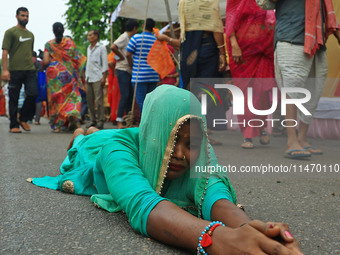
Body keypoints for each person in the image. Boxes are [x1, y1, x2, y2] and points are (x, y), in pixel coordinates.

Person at [28, 85, 303, 255]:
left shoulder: (201, 149)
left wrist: (252, 231)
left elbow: (214, 190)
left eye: (190, 143)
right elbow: (142, 202)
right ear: (155, 132)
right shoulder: (117, 150)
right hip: (98, 152)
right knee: (83, 143)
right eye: (170, 140)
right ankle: (83, 133)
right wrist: (217, 238)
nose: (181, 154)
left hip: (132, 138)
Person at [265, 0, 340, 158]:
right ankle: (291, 141)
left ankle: (302, 139)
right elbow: (265, 3)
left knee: (314, 90)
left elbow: (323, 10)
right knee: (292, 90)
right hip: (291, 37)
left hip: (317, 41)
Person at [225, 0, 277, 149]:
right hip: (242, 54)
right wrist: (234, 45)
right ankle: (247, 134)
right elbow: (230, 20)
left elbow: (271, 20)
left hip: (263, 52)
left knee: (262, 94)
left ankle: (260, 128)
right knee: (245, 94)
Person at [43, 22, 86, 133]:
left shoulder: (49, 45)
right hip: (69, 74)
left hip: (55, 76)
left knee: (57, 100)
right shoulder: (70, 42)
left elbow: (46, 61)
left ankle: (57, 125)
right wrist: (81, 77)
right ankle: (72, 117)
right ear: (63, 30)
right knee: (72, 97)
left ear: (53, 31)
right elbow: (77, 59)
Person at [2, 7, 38, 133]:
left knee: (34, 93)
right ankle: (14, 125)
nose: (25, 18)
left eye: (27, 16)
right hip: (15, 70)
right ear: (17, 16)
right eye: (22, 15)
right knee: (14, 98)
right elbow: (5, 52)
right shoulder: (10, 32)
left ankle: (23, 118)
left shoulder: (30, 34)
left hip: (29, 69)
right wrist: (5, 70)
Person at [126, 18, 159, 112]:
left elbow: (128, 54)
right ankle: (151, 123)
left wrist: (131, 65)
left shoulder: (136, 38)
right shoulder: (156, 40)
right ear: (153, 28)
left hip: (139, 76)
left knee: (142, 102)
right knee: (151, 102)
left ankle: (145, 124)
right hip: (153, 75)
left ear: (142, 26)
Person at [111, 19, 139, 129]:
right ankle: (119, 121)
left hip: (127, 69)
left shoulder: (130, 38)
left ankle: (128, 120)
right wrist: (121, 57)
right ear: (134, 28)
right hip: (122, 69)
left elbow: (114, 56)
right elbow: (113, 47)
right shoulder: (124, 37)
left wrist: (119, 57)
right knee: (125, 94)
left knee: (130, 96)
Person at [85, 30, 109, 130]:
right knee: (89, 100)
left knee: (99, 100)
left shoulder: (101, 48)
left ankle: (100, 120)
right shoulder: (88, 48)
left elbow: (104, 63)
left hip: (98, 76)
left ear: (96, 36)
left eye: (90, 35)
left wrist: (104, 77)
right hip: (88, 77)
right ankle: (92, 120)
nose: (88, 37)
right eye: (88, 35)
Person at [107, 51, 120, 123]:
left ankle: (113, 115)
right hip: (115, 77)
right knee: (117, 97)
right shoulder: (116, 54)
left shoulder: (110, 54)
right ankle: (115, 116)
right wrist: (115, 71)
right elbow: (110, 63)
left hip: (112, 77)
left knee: (113, 97)